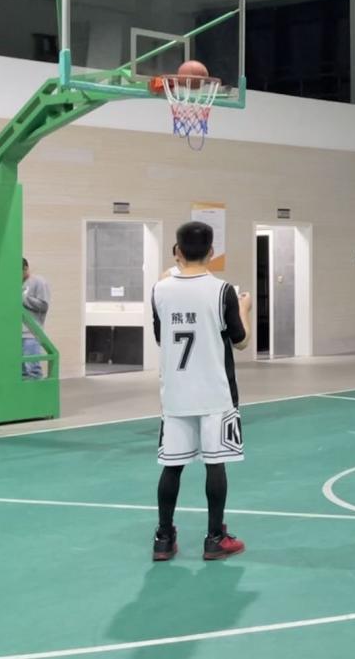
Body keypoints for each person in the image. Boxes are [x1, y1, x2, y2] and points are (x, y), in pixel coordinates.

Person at [150, 221, 253, 563]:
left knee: (172, 466)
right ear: (211, 252)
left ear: (177, 251)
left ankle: (164, 538)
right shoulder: (222, 291)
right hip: (215, 392)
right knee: (215, 464)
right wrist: (244, 310)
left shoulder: (160, 290)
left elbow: (162, 338)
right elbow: (241, 342)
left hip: (175, 393)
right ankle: (214, 538)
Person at [21, 258, 51, 380]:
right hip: (16, 334)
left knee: (32, 369)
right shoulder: (15, 284)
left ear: (25, 268)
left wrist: (23, 299)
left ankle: (38, 391)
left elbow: (43, 305)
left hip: (31, 334)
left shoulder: (39, 282)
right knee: (21, 372)